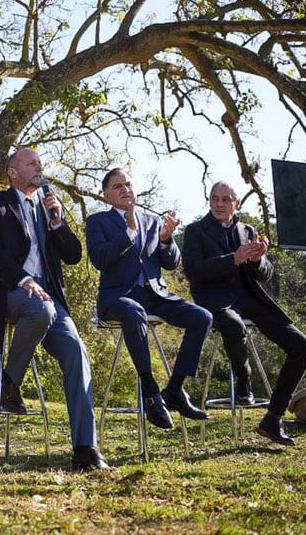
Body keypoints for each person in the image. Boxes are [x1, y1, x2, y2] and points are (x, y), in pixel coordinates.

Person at [0, 149, 109, 471]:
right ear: (13, 172)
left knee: (76, 351)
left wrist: (58, 223)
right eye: (31, 163)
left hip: (50, 299)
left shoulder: (50, 205)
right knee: (42, 311)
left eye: (41, 163)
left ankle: (86, 448)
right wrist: (24, 279)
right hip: (8, 292)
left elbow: (73, 255)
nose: (39, 167)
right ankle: (11, 382)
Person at [182, 181, 306, 445]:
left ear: (237, 203)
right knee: (234, 326)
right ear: (209, 201)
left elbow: (265, 274)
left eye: (225, 199)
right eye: (214, 199)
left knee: (303, 346)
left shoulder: (248, 230)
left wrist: (256, 260)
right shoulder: (195, 231)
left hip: (251, 300)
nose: (219, 204)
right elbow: (193, 271)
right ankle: (244, 383)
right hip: (215, 301)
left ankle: (273, 418)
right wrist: (234, 258)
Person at [85, 167, 212, 429]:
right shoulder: (98, 221)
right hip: (118, 297)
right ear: (106, 195)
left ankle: (175, 390)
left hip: (154, 293)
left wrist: (166, 240)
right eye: (118, 186)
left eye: (129, 184)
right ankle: (151, 391)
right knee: (134, 311)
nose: (125, 190)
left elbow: (171, 263)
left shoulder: (153, 221)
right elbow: (99, 259)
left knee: (202, 317)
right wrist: (129, 231)